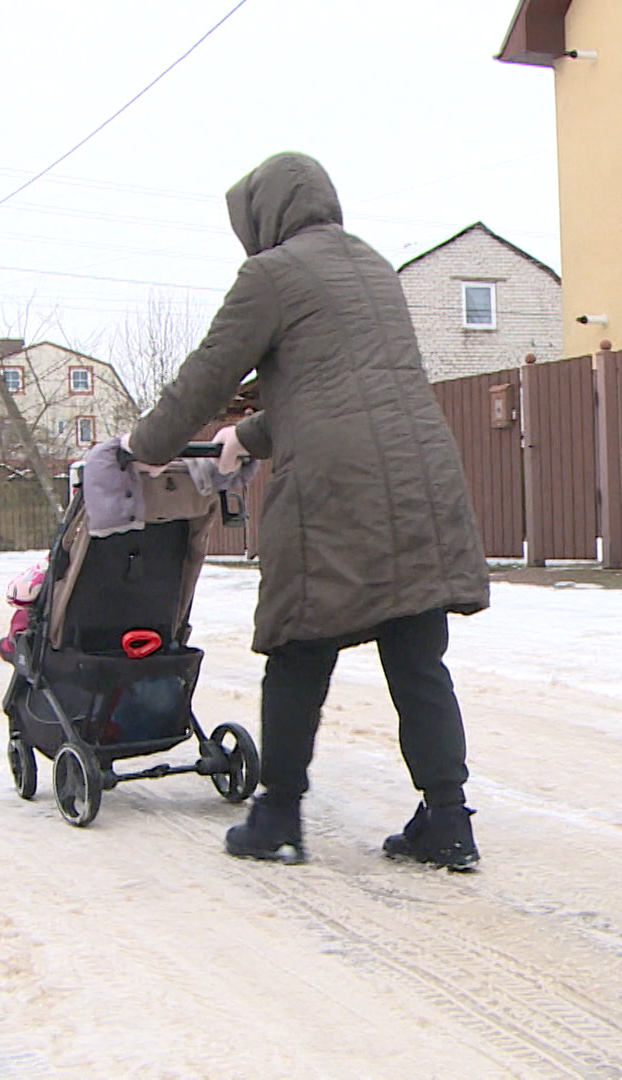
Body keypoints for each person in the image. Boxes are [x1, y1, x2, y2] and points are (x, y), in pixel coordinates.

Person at [123, 152, 491, 870]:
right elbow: (339, 385)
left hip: (335, 487)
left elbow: (208, 372)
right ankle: (449, 822)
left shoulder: (270, 274)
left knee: (297, 643)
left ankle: (279, 816)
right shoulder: (373, 268)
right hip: (421, 473)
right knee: (418, 656)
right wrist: (246, 437)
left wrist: (145, 445)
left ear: (264, 217)